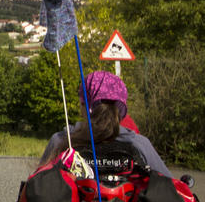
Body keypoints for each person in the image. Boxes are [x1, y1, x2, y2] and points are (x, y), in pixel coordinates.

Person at [38, 70, 170, 177]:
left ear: (83, 104)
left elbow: (36, 189)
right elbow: (172, 191)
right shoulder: (140, 145)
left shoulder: (61, 141)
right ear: (121, 109)